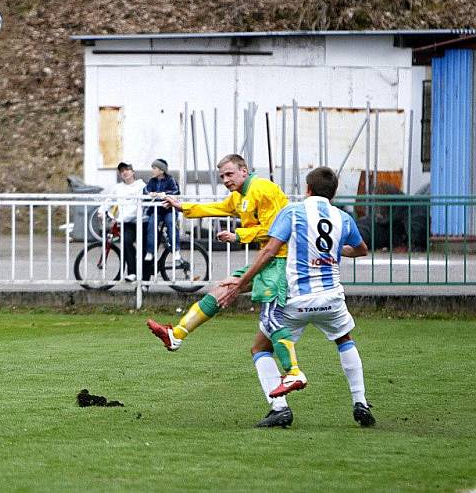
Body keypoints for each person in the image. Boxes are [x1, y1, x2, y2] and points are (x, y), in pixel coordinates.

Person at [146, 153, 308, 427]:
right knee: (222, 290)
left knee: (270, 320)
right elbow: (217, 208)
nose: (225, 180)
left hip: (282, 262)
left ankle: (294, 371)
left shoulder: (264, 190)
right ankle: (176, 335)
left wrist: (239, 236)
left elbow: (276, 231)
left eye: (230, 174)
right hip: (266, 261)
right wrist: (181, 205)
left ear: (244, 171)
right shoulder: (239, 196)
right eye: (222, 176)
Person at [217, 166, 376, 427]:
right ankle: (360, 401)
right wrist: (334, 251)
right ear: (332, 194)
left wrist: (241, 282)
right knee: (344, 339)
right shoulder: (342, 218)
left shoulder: (292, 212)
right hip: (331, 299)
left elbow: (269, 251)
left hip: (296, 301)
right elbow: (361, 250)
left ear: (307, 189)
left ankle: (280, 408)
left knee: (260, 348)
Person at [100, 162, 147, 281]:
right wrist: (102, 211)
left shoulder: (141, 186)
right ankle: (132, 272)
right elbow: (108, 200)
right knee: (126, 242)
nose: (125, 172)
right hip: (127, 223)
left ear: (133, 172)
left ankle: (145, 279)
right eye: (122, 171)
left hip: (142, 222)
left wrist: (119, 219)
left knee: (145, 249)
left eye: (127, 169)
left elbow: (138, 207)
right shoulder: (118, 188)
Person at [144, 158, 180, 262]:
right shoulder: (152, 181)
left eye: (154, 168)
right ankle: (150, 251)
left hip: (169, 209)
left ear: (161, 170)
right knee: (151, 223)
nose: (152, 170)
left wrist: (165, 194)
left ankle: (176, 250)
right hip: (157, 210)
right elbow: (146, 190)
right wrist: (150, 194)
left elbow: (176, 191)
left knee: (171, 222)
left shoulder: (170, 179)